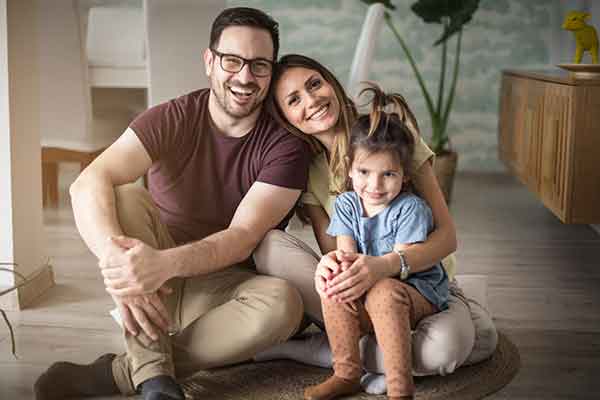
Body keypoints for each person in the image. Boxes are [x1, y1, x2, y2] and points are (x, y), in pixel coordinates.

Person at [34, 7, 311, 400]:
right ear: (209, 61)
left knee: (285, 302)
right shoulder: (173, 116)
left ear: (271, 72)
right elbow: (86, 183)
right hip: (153, 281)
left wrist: (161, 265)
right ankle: (158, 382)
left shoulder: (285, 145)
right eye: (232, 61)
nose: (245, 77)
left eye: (260, 65)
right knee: (122, 194)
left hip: (221, 290)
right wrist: (124, 271)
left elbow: (243, 236)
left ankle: (126, 371)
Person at [252, 54, 498, 394]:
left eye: (314, 84)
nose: (312, 101)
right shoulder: (308, 170)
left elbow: (447, 237)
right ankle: (355, 359)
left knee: (442, 352)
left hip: (419, 282)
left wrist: (384, 266)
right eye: (294, 99)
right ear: (286, 117)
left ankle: (318, 351)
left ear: (331, 83)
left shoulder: (392, 139)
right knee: (270, 248)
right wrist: (332, 266)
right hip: (362, 288)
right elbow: (338, 250)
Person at [305, 84, 449, 400]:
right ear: (351, 171)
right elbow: (346, 254)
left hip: (415, 289)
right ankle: (346, 373)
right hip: (370, 287)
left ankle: (400, 389)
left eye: (388, 175)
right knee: (334, 285)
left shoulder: (410, 208)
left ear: (405, 176)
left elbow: (399, 269)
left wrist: (365, 277)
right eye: (365, 172)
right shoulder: (345, 204)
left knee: (383, 292)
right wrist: (335, 269)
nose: (375, 185)